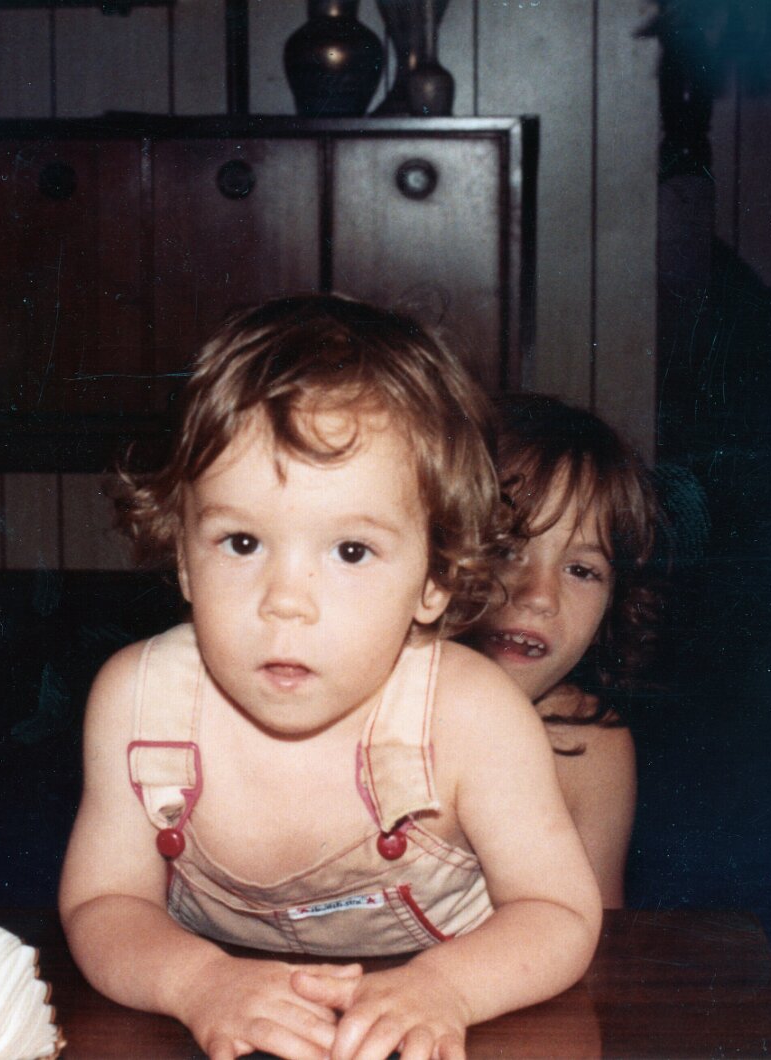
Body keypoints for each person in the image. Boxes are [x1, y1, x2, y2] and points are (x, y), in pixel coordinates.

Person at [58, 295, 602, 1060]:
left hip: (455, 1018)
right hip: (222, 1020)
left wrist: (446, 988)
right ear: (182, 553)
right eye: (241, 542)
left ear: (435, 578)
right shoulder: (139, 705)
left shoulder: (472, 717)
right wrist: (196, 981)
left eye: (350, 551)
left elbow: (557, 911)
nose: (285, 600)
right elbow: (103, 902)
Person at [465, 394, 663, 908]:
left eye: (581, 570)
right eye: (507, 549)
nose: (539, 595)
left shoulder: (590, 748)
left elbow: (602, 939)